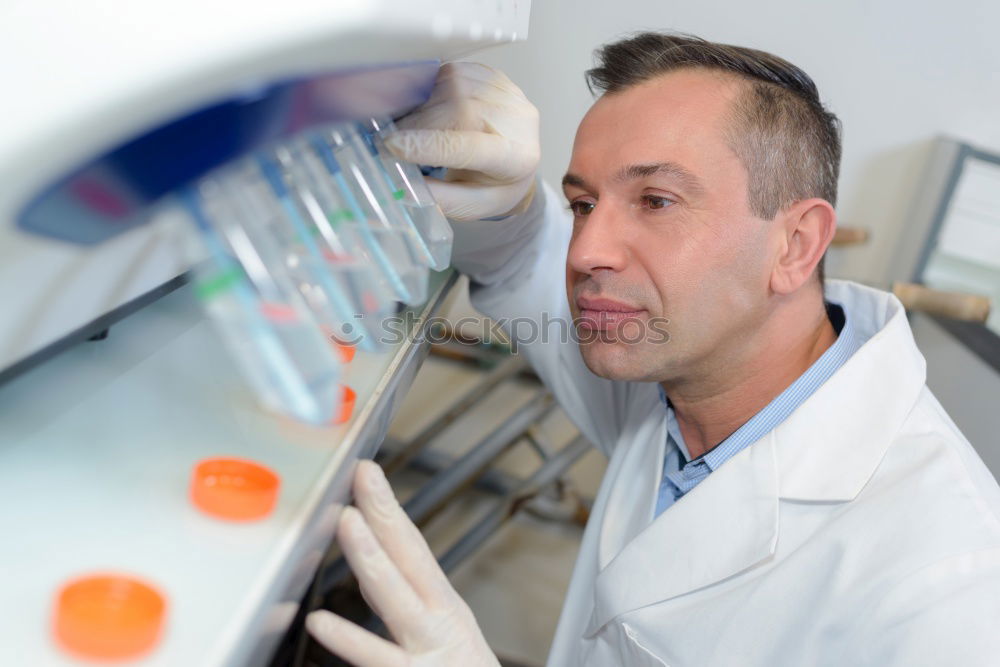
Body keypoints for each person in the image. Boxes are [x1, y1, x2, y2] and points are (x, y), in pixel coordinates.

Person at [306, 33, 1000, 666]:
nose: (588, 251)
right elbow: (526, 264)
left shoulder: (948, 588)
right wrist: (506, 196)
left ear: (795, 245)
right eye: (583, 204)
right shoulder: (682, 369)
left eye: (657, 201)